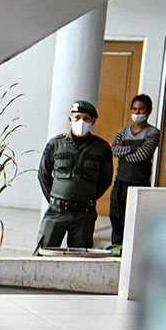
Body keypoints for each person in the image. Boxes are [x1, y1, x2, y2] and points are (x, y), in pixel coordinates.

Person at [36, 100, 113, 251]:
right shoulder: (56, 144)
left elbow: (105, 179)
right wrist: (55, 198)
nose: (81, 122)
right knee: (44, 253)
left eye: (86, 118)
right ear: (70, 119)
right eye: (77, 117)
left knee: (79, 257)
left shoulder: (101, 148)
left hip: (84, 214)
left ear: (93, 121)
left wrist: (87, 197)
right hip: (57, 211)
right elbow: (43, 174)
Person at [109, 94, 160, 246]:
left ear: (149, 111)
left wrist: (123, 151)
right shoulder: (123, 131)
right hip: (120, 182)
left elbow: (143, 155)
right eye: (134, 109)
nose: (137, 113)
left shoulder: (153, 132)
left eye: (141, 109)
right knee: (116, 219)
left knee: (135, 221)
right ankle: (117, 249)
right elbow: (113, 150)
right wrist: (133, 148)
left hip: (139, 184)